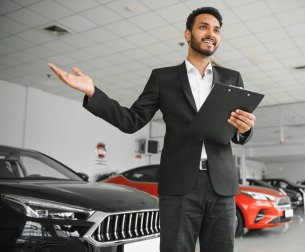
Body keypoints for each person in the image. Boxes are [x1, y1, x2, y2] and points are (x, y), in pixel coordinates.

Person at [49, 7, 256, 252]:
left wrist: (245, 128)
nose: (211, 33)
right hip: (179, 187)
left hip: (222, 186)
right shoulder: (163, 78)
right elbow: (131, 121)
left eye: (217, 30)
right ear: (188, 34)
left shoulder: (232, 78)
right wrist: (94, 93)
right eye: (204, 27)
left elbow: (237, 132)